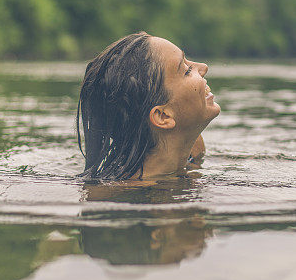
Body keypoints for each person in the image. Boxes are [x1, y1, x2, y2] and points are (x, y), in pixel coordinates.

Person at [76, 32, 220, 180]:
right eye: (187, 70)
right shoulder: (126, 193)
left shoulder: (192, 149)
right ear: (163, 116)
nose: (204, 67)